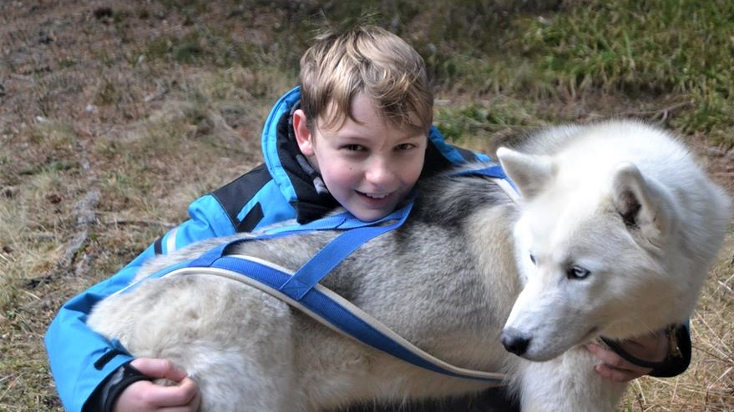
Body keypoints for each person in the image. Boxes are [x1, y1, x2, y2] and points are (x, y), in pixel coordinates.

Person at [44, 25, 690, 412]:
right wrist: (110, 389)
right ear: (304, 133)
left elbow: (614, 259)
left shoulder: (491, 190)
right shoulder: (234, 213)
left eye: (404, 148)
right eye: (353, 150)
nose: (382, 175)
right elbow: (79, 316)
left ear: (427, 133)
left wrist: (661, 345)